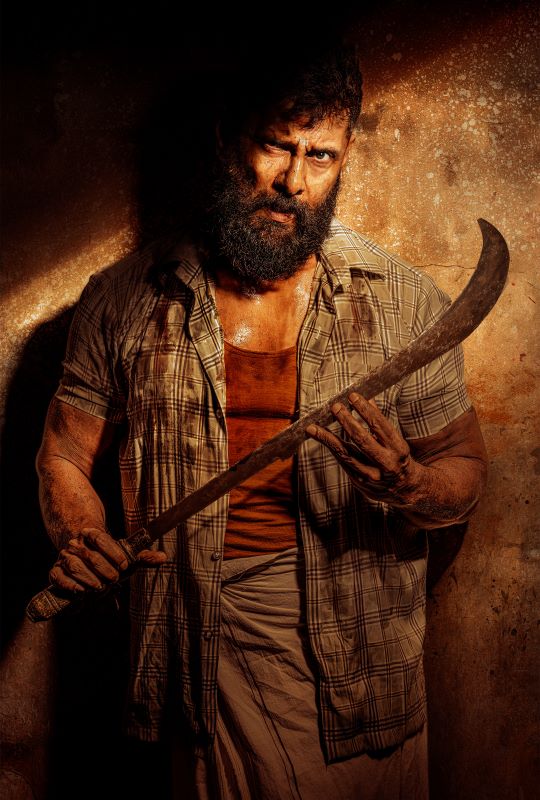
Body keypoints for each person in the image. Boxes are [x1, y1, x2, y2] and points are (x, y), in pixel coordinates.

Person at [36, 39, 488, 799]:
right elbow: (62, 456)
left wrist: (410, 484)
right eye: (275, 145)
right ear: (227, 137)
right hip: (203, 644)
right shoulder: (124, 298)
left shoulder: (402, 300)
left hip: (365, 651)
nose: (292, 181)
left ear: (345, 157)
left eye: (320, 156)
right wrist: (82, 535)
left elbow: (465, 472)